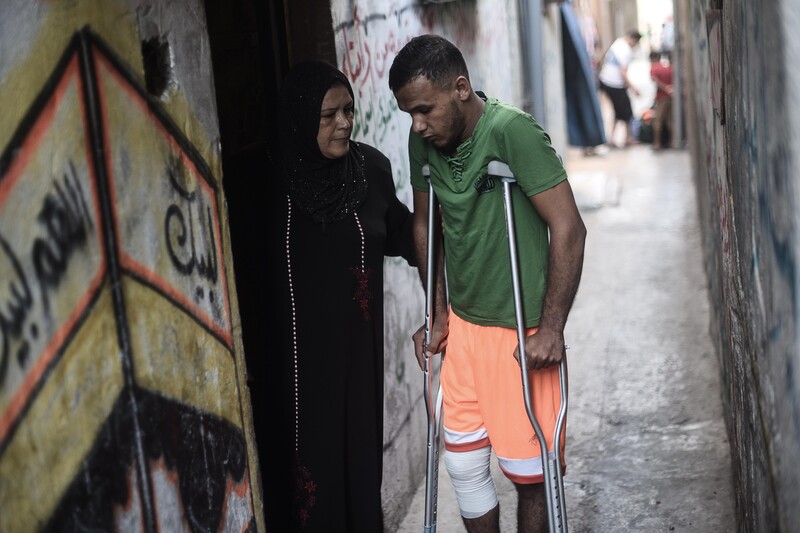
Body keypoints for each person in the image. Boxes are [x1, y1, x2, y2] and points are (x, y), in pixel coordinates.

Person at [388, 35, 586, 533]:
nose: (417, 125)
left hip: (519, 331)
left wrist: (553, 329)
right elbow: (422, 224)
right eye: (409, 113)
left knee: (529, 475)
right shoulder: (424, 140)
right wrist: (435, 315)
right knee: (463, 464)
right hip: (464, 328)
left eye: (425, 110)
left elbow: (569, 228)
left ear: (460, 88)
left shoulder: (512, 132)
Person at [226, 60, 416, 532]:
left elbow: (405, 234)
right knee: (304, 476)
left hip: (357, 361)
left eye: (348, 110)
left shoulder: (370, 170)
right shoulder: (260, 183)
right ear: (299, 117)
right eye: (328, 114)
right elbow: (239, 275)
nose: (344, 123)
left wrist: (461, 227)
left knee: (358, 464)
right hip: (290, 369)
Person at [598, 30, 642, 147]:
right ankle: (628, 138)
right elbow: (623, 71)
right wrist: (633, 88)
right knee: (627, 111)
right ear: (634, 40)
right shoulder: (625, 50)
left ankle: (613, 138)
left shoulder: (618, 43)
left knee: (619, 111)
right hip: (614, 83)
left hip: (607, 81)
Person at [649, 50, 674, 149]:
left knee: (658, 121)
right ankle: (672, 142)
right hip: (670, 97)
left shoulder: (654, 67)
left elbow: (654, 79)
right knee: (670, 120)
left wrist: (665, 88)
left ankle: (657, 143)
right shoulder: (668, 67)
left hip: (662, 97)